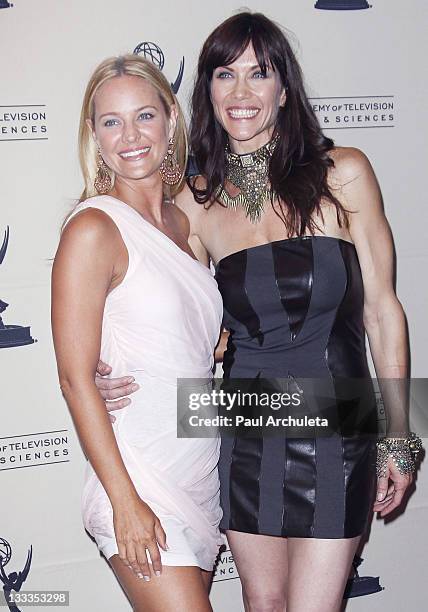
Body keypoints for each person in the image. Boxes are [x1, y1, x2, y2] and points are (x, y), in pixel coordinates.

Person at [95, 12, 421, 612]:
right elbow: (156, 305)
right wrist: (102, 364)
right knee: (261, 605)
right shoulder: (193, 205)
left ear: (284, 88)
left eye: (259, 74)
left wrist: (398, 433)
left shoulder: (341, 174)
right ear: (207, 91)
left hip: (337, 427)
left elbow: (383, 311)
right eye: (225, 75)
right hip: (243, 428)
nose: (242, 93)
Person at [51, 54, 224, 612]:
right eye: (111, 121)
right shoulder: (93, 228)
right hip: (139, 478)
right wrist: (125, 501)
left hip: (198, 474)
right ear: (93, 135)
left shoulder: (184, 224)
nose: (130, 136)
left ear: (170, 121)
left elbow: (191, 340)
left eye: (144, 115)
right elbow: (77, 380)